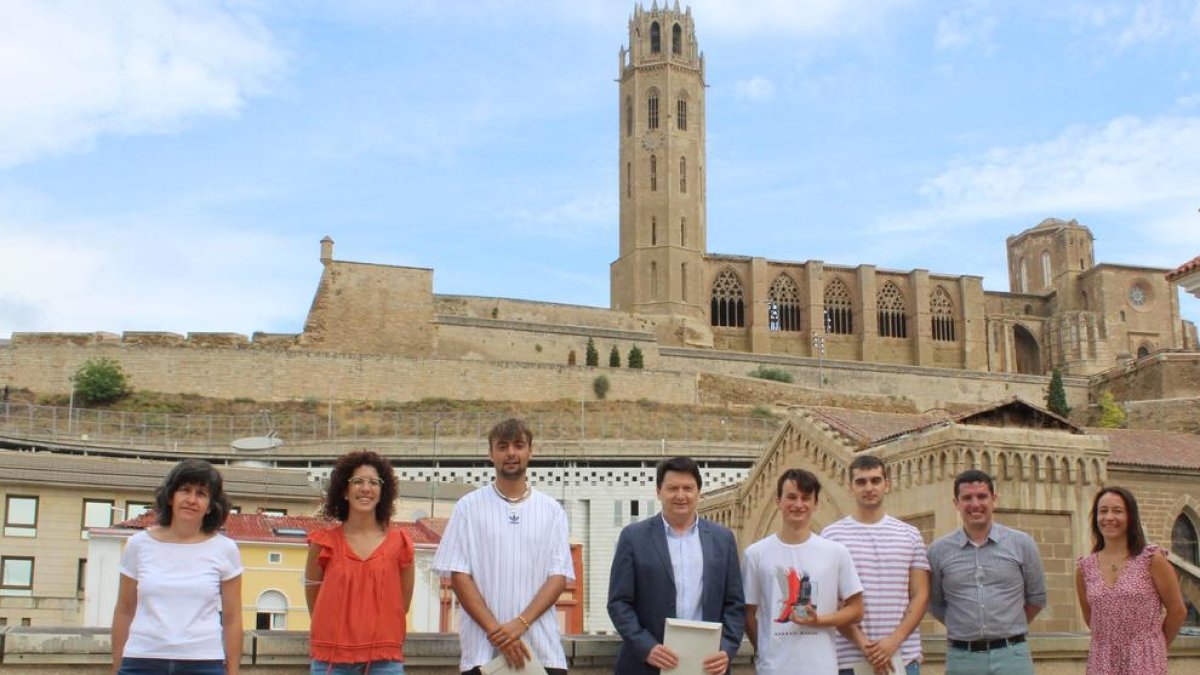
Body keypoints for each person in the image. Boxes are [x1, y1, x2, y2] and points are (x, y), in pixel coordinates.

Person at [433, 418, 574, 675]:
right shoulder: (468, 507)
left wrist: (520, 624)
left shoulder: (552, 510)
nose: (511, 453)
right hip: (482, 654)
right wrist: (498, 633)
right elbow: (458, 575)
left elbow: (558, 577)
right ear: (491, 454)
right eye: (502, 446)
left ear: (530, 451)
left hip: (543, 654)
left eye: (518, 445)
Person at [608, 456, 744, 675]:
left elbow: (734, 604)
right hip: (646, 664)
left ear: (698, 492)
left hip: (707, 666)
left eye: (688, 488)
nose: (681, 495)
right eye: (672, 488)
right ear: (659, 492)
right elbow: (619, 603)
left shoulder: (722, 539)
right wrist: (647, 647)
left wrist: (726, 649)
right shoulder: (633, 537)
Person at [110, 459, 243, 675]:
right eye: (185, 490)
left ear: (210, 506)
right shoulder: (138, 544)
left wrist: (234, 671)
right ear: (171, 497)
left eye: (201, 493)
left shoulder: (225, 549)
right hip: (142, 661)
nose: (191, 499)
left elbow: (232, 618)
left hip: (203, 662)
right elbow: (124, 610)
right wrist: (117, 667)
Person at [742, 468, 863, 675]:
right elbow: (747, 612)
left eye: (806, 498)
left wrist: (819, 621)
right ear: (778, 501)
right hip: (773, 669)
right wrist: (764, 649)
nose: (798, 504)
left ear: (815, 503)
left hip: (822, 668)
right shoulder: (756, 554)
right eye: (791, 497)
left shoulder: (836, 552)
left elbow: (857, 610)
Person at [305, 450, 415, 675]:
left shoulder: (400, 543)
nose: (366, 488)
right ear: (345, 491)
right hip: (331, 661)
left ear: (382, 491)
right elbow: (314, 604)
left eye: (374, 482)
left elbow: (401, 604)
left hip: (384, 661)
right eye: (358, 481)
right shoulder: (323, 543)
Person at [928, 469, 1045, 675]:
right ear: (956, 503)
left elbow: (1036, 598)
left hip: (1012, 657)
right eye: (967, 498)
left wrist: (1007, 626)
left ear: (994, 499)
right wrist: (965, 625)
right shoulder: (938, 551)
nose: (975, 504)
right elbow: (936, 604)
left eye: (982, 496)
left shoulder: (1022, 544)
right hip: (963, 659)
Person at [823, 456, 929, 675]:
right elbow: (831, 601)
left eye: (875, 480)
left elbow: (920, 595)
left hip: (902, 657)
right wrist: (865, 645)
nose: (869, 487)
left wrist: (893, 641)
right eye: (861, 482)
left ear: (887, 484)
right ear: (850, 488)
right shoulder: (831, 536)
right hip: (848, 660)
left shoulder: (910, 535)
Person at [1075, 486, 1186, 675]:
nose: (1109, 517)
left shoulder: (1152, 559)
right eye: (1103, 511)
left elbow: (1178, 611)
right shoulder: (1085, 569)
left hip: (1146, 662)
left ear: (1131, 517)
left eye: (1117, 511)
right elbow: (1091, 619)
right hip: (1102, 663)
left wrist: (1154, 648)